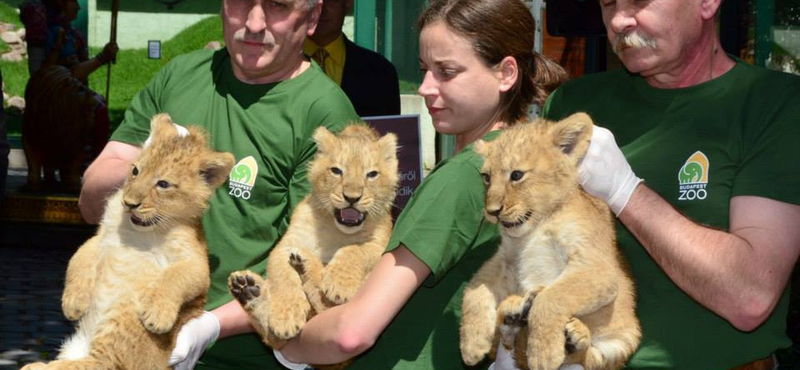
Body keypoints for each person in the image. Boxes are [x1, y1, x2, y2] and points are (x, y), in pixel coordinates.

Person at [269, 0, 565, 369]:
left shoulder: (463, 176)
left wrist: (287, 348)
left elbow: (353, 332)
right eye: (425, 70)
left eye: (447, 72)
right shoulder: (527, 168)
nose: (426, 87)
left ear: (506, 74)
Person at [77, 0, 359, 368]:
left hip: (239, 357)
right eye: (241, 3)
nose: (254, 23)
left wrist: (208, 326)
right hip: (124, 339)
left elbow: (308, 268)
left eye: (277, 6)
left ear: (311, 17)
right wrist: (147, 163)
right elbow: (90, 202)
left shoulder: (323, 114)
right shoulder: (180, 76)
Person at [541, 0, 800, 369]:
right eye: (608, 4)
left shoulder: (773, 104)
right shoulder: (574, 102)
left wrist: (623, 190)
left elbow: (750, 296)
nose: (618, 21)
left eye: (638, 2)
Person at [303, 0, 400, 117]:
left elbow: (389, 131)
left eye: (331, 1)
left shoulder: (382, 72)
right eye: (314, 0)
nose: (322, 8)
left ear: (348, 3)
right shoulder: (277, 66)